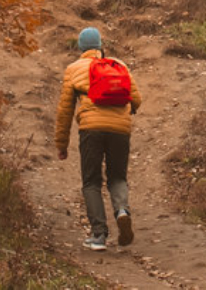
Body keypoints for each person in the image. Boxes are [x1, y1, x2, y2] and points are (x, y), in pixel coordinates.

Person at [54, 25, 141, 251]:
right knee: (117, 177)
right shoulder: (118, 65)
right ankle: (122, 211)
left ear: (81, 48)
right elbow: (137, 99)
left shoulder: (74, 69)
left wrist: (61, 144)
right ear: (100, 46)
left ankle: (99, 235)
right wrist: (124, 112)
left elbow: (64, 111)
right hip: (120, 130)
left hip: (91, 130)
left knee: (91, 181)